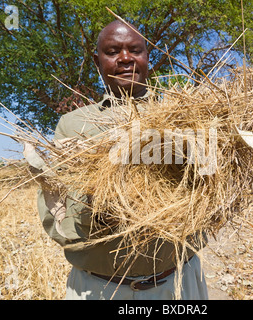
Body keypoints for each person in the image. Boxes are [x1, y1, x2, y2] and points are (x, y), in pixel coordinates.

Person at [34, 20, 209, 300]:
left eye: (135, 50)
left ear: (147, 56)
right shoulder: (73, 124)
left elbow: (212, 191)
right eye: (113, 51)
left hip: (175, 284)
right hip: (99, 288)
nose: (125, 58)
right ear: (97, 60)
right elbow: (55, 200)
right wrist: (99, 206)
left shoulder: (184, 114)